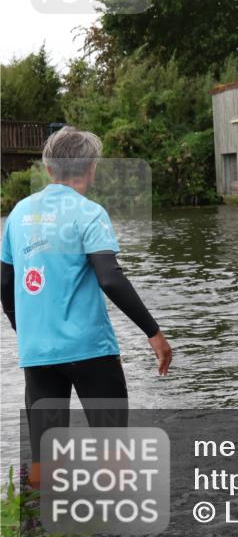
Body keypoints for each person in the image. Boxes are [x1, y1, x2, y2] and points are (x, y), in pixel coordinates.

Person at [0, 127, 172, 487]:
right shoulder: (89, 213)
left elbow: (4, 285)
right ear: (91, 167)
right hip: (90, 351)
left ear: (48, 169)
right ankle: (114, 535)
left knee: (44, 465)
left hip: (38, 353)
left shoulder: (18, 215)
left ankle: (43, 534)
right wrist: (153, 332)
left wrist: (24, 329)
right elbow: (109, 278)